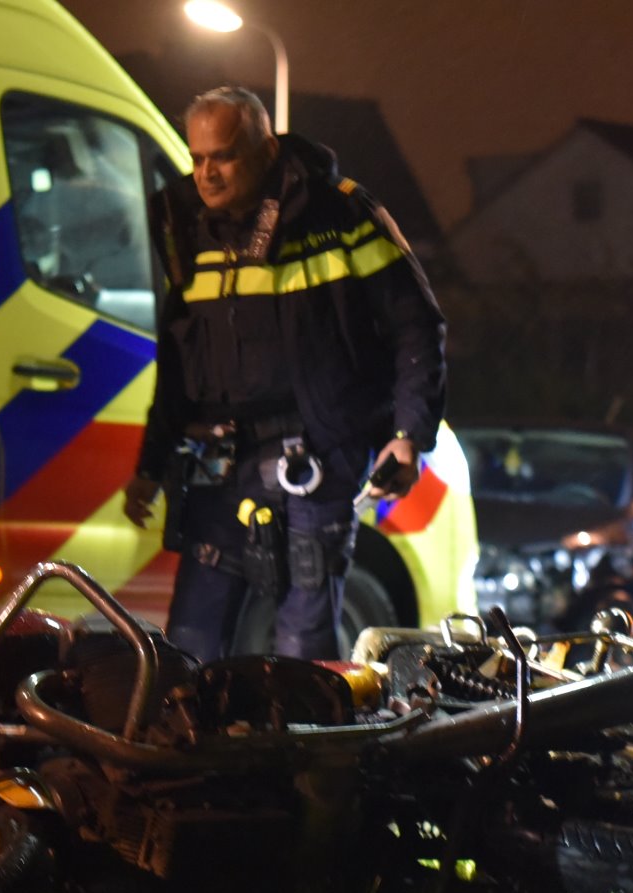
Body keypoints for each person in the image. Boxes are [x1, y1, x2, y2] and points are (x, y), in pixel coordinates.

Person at [122, 86, 446, 661]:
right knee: (192, 640)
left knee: (301, 643)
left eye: (223, 156)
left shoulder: (339, 211)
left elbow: (415, 324)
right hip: (220, 462)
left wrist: (407, 437)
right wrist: (151, 464)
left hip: (317, 453)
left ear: (267, 150)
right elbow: (177, 363)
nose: (207, 173)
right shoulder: (186, 228)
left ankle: (306, 748)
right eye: (196, 159)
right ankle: (198, 749)